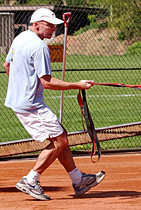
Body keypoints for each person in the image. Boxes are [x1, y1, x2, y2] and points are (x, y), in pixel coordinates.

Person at [3, 8, 105, 201]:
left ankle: (78, 180)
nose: (53, 29)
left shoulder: (20, 38)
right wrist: (78, 85)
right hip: (31, 104)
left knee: (61, 135)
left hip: (22, 101)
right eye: (49, 25)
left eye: (55, 26)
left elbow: (7, 65)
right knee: (60, 141)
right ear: (36, 24)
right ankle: (31, 179)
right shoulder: (39, 47)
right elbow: (47, 82)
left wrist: (19, 86)